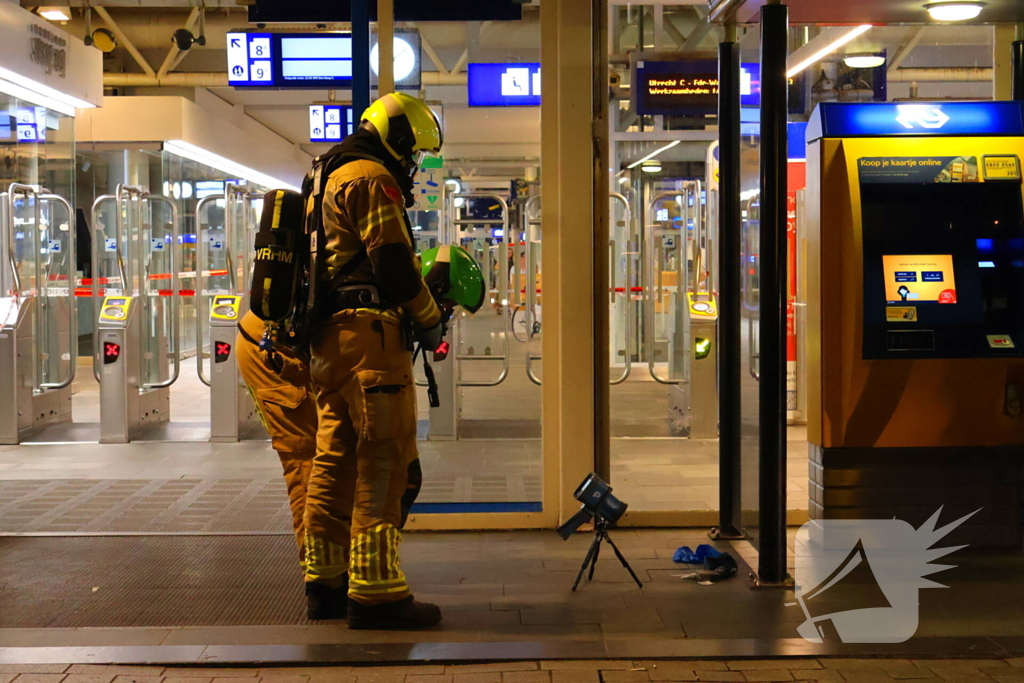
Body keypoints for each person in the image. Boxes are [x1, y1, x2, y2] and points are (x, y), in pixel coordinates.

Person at [303, 92, 446, 630]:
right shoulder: (370, 177)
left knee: (334, 460)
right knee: (383, 462)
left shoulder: (324, 173)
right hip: (369, 341)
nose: (413, 165)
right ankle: (377, 594)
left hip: (327, 344)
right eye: (414, 153)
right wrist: (430, 318)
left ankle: (325, 584)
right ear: (400, 138)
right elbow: (392, 261)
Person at [235, 310, 351, 620]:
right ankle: (324, 583)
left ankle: (337, 565)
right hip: (274, 355)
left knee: (329, 457)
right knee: (307, 461)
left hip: (289, 346)